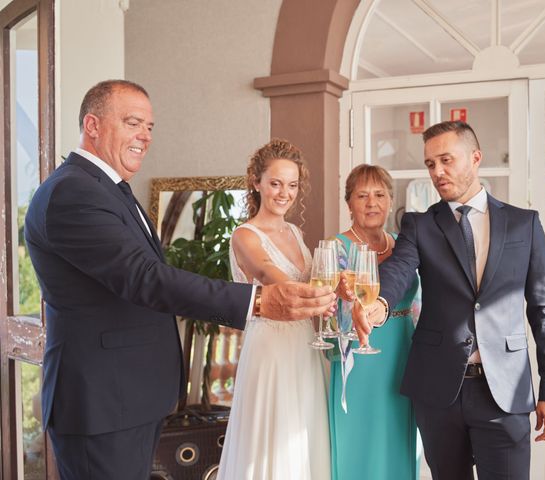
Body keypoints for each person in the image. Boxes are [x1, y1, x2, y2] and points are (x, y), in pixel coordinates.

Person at [24, 80, 334, 480]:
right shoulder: (72, 193)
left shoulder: (110, 190)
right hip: (100, 401)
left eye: (150, 126)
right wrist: (255, 301)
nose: (144, 136)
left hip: (128, 395)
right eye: (133, 122)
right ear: (93, 125)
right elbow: (144, 277)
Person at [354, 121, 545, 480]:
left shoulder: (523, 224)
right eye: (430, 164)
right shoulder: (420, 225)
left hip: (505, 390)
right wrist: (380, 304)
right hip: (438, 392)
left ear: (475, 158)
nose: (437, 172)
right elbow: (399, 270)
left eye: (446, 160)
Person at [217, 139, 331, 480]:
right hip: (269, 347)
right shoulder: (245, 235)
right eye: (276, 183)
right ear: (257, 182)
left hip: (305, 346)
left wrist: (338, 288)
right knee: (273, 438)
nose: (284, 193)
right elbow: (273, 278)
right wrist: (320, 292)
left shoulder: (295, 233)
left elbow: (315, 281)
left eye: (292, 185)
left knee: (302, 435)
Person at [328, 164, 420, 480]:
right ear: (349, 202)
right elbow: (325, 307)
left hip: (403, 351)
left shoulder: (403, 244)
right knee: (360, 435)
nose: (372, 203)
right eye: (362, 195)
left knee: (398, 433)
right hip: (359, 350)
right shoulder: (337, 247)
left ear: (390, 201)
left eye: (380, 195)